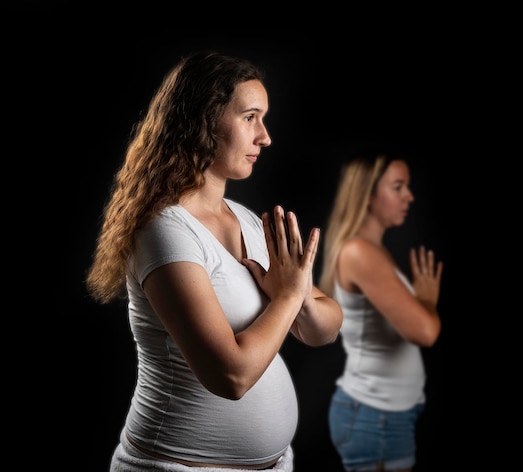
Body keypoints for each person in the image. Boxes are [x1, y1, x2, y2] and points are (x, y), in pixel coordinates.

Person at [85, 50, 343, 472]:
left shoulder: (245, 220)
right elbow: (232, 377)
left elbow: (325, 332)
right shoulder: (164, 230)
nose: (265, 137)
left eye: (263, 119)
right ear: (204, 121)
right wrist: (289, 297)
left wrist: (303, 300)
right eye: (250, 117)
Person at [318, 148, 443, 472]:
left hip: (385, 413)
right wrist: (427, 300)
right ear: (367, 195)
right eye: (398, 186)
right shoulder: (360, 252)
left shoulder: (372, 250)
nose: (410, 197)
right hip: (375, 416)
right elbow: (425, 332)